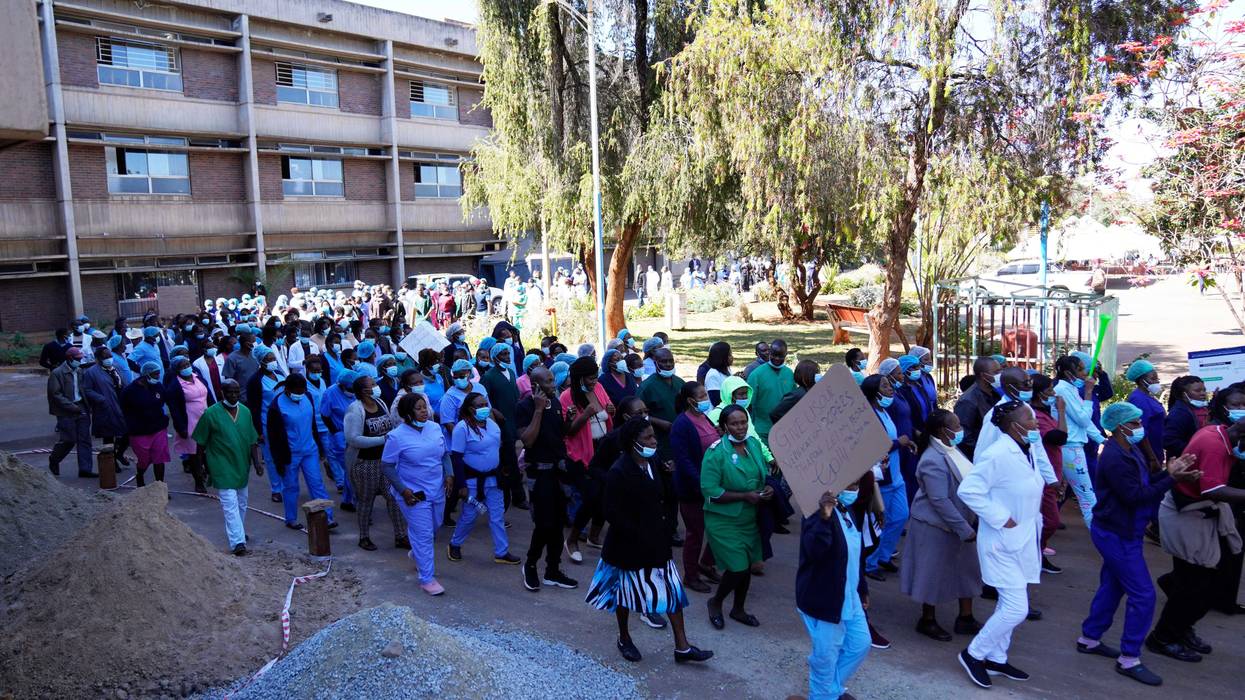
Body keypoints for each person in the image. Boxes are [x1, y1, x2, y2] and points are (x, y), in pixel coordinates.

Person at [1077, 402, 1200, 686]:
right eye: (1136, 423)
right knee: (1144, 596)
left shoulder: (1127, 450)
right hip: (1116, 533)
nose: (1140, 427)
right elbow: (1135, 496)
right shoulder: (1116, 457)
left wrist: (1173, 474)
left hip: (1123, 531)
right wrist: (1170, 478)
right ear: (1121, 426)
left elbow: (1143, 484)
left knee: (1113, 585)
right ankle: (1129, 658)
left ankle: (1089, 638)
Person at [586, 417, 714, 665]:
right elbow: (611, 512)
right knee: (623, 596)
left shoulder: (654, 462)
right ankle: (624, 638)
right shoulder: (619, 472)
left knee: (672, 593)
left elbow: (664, 497)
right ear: (633, 442)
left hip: (657, 543)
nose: (654, 441)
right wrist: (638, 533)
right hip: (628, 547)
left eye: (653, 436)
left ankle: (682, 647)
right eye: (647, 438)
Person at [1148, 384, 1245, 659]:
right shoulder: (1215, 444)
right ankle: (1162, 637)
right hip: (1188, 514)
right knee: (1195, 588)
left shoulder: (1220, 433)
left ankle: (1182, 627)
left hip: (1198, 513)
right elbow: (1212, 490)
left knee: (1200, 582)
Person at [955, 400, 1044, 689]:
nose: (1036, 423)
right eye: (1030, 419)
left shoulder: (1026, 448)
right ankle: (973, 654)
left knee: (1009, 603)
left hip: (1024, 538)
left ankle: (996, 658)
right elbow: (968, 490)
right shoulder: (997, 454)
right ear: (1014, 426)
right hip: (1001, 541)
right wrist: (1000, 517)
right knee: (1017, 608)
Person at [902, 409, 982, 641]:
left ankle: (965, 617)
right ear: (942, 431)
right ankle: (927, 620)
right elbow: (939, 501)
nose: (960, 430)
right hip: (935, 526)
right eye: (955, 426)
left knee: (967, 571)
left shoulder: (952, 450)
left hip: (962, 523)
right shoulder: (932, 460)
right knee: (932, 574)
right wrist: (964, 528)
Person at [701, 404, 772, 629]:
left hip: (749, 518)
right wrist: (744, 496)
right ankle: (716, 602)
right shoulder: (715, 453)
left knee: (747, 564)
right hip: (724, 519)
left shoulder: (753, 444)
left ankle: (738, 609)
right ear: (724, 427)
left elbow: (763, 474)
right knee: (738, 567)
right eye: (734, 423)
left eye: (743, 422)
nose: (740, 427)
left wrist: (767, 489)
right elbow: (710, 490)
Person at [797, 485, 871, 700]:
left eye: (858, 483)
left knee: (860, 644)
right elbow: (814, 552)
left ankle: (830, 690)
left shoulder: (849, 510)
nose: (855, 487)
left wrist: (862, 586)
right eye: (851, 484)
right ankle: (823, 695)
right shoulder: (815, 510)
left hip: (850, 595)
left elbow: (856, 555)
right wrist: (824, 517)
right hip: (825, 598)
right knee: (825, 658)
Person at [382, 393, 453, 596]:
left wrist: (449, 474)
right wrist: (403, 489)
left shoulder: (434, 427)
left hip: (437, 489)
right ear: (407, 413)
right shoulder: (397, 436)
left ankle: (418, 554)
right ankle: (427, 579)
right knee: (423, 535)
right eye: (419, 408)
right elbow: (387, 466)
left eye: (425, 407)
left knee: (434, 526)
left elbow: (445, 454)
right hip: (413, 494)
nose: (424, 411)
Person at [517, 366, 579, 591]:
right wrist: (538, 410)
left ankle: (553, 570)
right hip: (539, 473)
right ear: (536, 385)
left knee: (558, 523)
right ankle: (531, 564)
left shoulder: (555, 404)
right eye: (549, 381)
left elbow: (560, 434)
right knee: (544, 524)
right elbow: (528, 441)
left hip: (558, 472)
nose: (554, 385)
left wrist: (568, 421)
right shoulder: (525, 407)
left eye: (553, 380)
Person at [447, 392, 522, 565]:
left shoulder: (492, 425)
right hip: (472, 483)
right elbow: (457, 458)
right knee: (471, 514)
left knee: (497, 516)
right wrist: (461, 485)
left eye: (485, 404)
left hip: (494, 480)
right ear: (470, 408)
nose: (484, 408)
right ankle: (455, 543)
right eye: (479, 406)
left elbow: (500, 449)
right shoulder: (462, 428)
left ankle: (501, 552)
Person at [192, 379, 262, 556]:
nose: (234, 396)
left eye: (237, 392)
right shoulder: (210, 414)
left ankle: (239, 531)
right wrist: (199, 467)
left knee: (242, 502)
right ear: (222, 392)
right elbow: (200, 443)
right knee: (230, 504)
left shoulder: (245, 412)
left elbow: (252, 439)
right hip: (221, 465)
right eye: (230, 392)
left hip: (241, 464)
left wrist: (257, 461)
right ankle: (237, 542)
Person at [561, 356, 615, 563]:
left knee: (605, 494)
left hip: (602, 449)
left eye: (595, 377)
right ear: (579, 378)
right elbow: (568, 431)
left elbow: (608, 412)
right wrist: (585, 415)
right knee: (592, 496)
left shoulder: (599, 388)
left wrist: (611, 410)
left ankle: (594, 536)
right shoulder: (567, 397)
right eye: (590, 379)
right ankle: (572, 539)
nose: (594, 382)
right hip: (580, 453)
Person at [345, 374, 407, 551]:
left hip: (385, 461)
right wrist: (382, 440)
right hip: (365, 463)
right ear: (364, 391)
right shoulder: (355, 410)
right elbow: (353, 439)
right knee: (366, 501)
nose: (376, 386)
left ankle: (400, 535)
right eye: (372, 384)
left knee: (393, 498)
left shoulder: (380, 403)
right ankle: (364, 536)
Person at [266, 373, 336, 530]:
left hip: (309, 450)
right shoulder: (276, 407)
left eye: (302, 391)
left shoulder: (308, 397)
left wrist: (319, 445)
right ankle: (291, 519)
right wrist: (279, 461)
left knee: (316, 483)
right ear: (287, 389)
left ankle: (327, 517)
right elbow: (274, 437)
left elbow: (312, 424)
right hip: (290, 454)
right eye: (296, 391)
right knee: (291, 487)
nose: (299, 394)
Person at [861, 375, 913, 580]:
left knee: (901, 516)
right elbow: (873, 447)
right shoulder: (869, 415)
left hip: (896, 475)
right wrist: (900, 442)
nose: (891, 388)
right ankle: (870, 562)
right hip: (882, 478)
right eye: (885, 385)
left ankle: (884, 555)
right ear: (875, 391)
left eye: (889, 385)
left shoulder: (884, 411)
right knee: (879, 522)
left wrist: (905, 443)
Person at [1053, 354, 1106, 527]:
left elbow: (1084, 423)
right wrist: (1089, 393)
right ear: (1070, 373)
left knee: (1082, 494)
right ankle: (1101, 538)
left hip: (1074, 446)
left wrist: (1102, 440)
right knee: (1087, 497)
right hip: (1070, 448)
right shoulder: (1063, 390)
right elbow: (1083, 419)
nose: (1086, 373)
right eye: (1082, 369)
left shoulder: (1071, 388)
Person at [478, 341, 526, 511]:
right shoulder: (489, 376)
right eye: (503, 354)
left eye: (508, 353)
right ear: (495, 356)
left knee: (510, 458)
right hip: (500, 423)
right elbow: (482, 400)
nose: (507, 357)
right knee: (509, 460)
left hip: (514, 420)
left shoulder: (512, 373)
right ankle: (517, 495)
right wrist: (494, 411)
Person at [1030, 374, 1068, 573]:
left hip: (1053, 472)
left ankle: (1038, 551)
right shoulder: (1036, 415)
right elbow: (1060, 437)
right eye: (1050, 390)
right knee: (1051, 521)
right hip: (1045, 477)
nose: (1054, 394)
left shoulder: (1043, 412)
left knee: (1046, 519)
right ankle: (1035, 552)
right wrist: (1062, 411)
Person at [46, 347, 96, 479]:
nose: (80, 361)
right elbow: (55, 394)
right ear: (69, 359)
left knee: (85, 439)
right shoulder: (57, 373)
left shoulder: (79, 371)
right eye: (77, 359)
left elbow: (82, 390)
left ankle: (85, 469)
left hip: (81, 407)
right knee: (68, 440)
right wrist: (72, 407)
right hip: (65, 410)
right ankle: (54, 459)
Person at [166, 356, 213, 494]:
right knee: (195, 454)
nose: (187, 367)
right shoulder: (175, 386)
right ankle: (198, 481)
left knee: (209, 449)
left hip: (206, 418)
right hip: (190, 422)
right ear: (177, 370)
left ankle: (209, 473)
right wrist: (181, 428)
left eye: (188, 364)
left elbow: (208, 395)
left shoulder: (198, 377)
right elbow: (174, 409)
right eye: (183, 366)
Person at [120, 361, 170, 487]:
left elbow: (165, 399)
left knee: (159, 458)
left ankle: (160, 486)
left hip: (158, 428)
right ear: (146, 375)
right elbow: (124, 409)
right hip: (139, 430)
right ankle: (140, 477)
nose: (158, 377)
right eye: (155, 374)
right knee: (144, 460)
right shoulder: (130, 391)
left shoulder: (158, 386)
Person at [83, 346, 128, 472]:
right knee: (109, 436)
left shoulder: (115, 369)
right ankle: (112, 461)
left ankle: (119, 454)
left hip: (120, 405)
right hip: (106, 407)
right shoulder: (91, 372)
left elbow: (122, 384)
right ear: (98, 359)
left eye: (109, 356)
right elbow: (87, 390)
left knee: (128, 433)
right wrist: (100, 399)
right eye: (105, 357)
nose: (109, 359)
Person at [747, 339, 795, 445]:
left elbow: (793, 401)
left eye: (780, 356)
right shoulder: (756, 375)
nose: (777, 359)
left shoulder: (789, 374)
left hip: (785, 431)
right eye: (774, 355)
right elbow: (748, 405)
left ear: (786, 354)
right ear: (769, 352)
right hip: (762, 431)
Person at [952, 356, 1001, 460]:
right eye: (996, 372)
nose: (1000, 375)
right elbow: (965, 437)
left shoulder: (995, 392)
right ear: (984, 376)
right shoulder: (968, 401)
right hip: (980, 455)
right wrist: (983, 452)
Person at [1125, 359, 1167, 470]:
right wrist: (1151, 458)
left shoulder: (1148, 396)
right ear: (1142, 380)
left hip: (1156, 449)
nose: (1157, 381)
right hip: (1146, 455)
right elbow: (1141, 431)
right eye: (1153, 379)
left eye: (1157, 378)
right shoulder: (1138, 399)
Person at [1164, 376, 1208, 459]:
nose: (1203, 393)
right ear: (1184, 394)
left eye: (1204, 390)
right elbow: (1169, 441)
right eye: (1197, 391)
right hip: (1184, 462)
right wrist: (1195, 451)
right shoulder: (1178, 414)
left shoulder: (1196, 408)